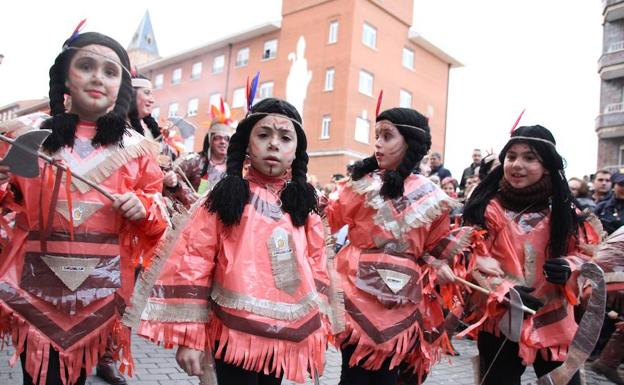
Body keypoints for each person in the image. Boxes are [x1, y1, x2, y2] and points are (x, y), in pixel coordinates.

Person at [0, 31, 167, 385]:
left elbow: (159, 217)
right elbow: (9, 204)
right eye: (86, 66)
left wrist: (145, 207)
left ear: (121, 85)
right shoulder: (27, 138)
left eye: (110, 71)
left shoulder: (138, 150)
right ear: (64, 76)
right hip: (35, 287)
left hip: (98, 292)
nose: (97, 77)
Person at [136, 98, 330, 384]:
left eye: (285, 138)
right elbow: (194, 260)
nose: (274, 144)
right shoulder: (223, 198)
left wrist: (318, 332)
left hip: (284, 336)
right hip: (233, 335)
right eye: (264, 135)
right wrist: (189, 335)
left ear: (297, 151)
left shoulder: (303, 206)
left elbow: (317, 266)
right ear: (247, 145)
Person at [325, 107, 464, 385]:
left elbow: (434, 246)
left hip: (401, 297)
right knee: (353, 373)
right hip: (355, 290)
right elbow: (327, 220)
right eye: (377, 136)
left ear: (410, 143)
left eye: (387, 136)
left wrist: (440, 265)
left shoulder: (431, 195)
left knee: (388, 376)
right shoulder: (361, 185)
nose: (378, 143)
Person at [462, 125, 598, 385]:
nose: (516, 164)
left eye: (529, 157)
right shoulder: (486, 210)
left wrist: (569, 266)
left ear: (547, 165)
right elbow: (472, 257)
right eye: (511, 156)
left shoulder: (566, 214)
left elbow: (586, 255)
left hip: (554, 320)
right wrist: (504, 290)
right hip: (502, 321)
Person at [163, 103, 234, 210]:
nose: (223, 142)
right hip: (191, 216)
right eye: (218, 138)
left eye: (226, 139)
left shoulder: (234, 168)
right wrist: (187, 193)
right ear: (210, 140)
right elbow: (175, 176)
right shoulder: (195, 160)